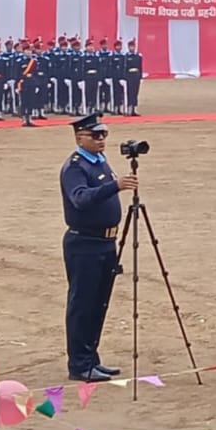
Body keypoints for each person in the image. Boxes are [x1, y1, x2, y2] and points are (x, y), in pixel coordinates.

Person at [59, 114, 137, 382]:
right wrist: (114, 187)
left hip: (106, 242)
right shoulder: (75, 167)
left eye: (104, 134)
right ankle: (79, 364)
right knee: (83, 304)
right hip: (85, 243)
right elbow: (80, 198)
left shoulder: (100, 161)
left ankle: (92, 357)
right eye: (95, 135)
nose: (101, 139)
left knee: (99, 303)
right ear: (80, 137)